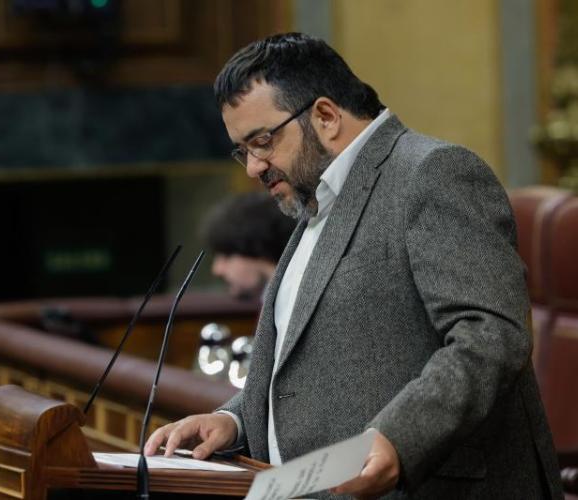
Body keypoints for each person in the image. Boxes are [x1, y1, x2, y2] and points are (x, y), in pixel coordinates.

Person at [145, 33, 562, 499]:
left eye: (262, 141)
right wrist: (235, 421)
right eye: (243, 150)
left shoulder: (432, 173)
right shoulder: (316, 202)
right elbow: (322, 366)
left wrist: (400, 438)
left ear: (325, 116)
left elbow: (491, 334)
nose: (253, 168)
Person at [201, 191, 296, 299]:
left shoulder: (294, 298)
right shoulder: (278, 298)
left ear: (259, 247)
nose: (217, 270)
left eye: (227, 256)